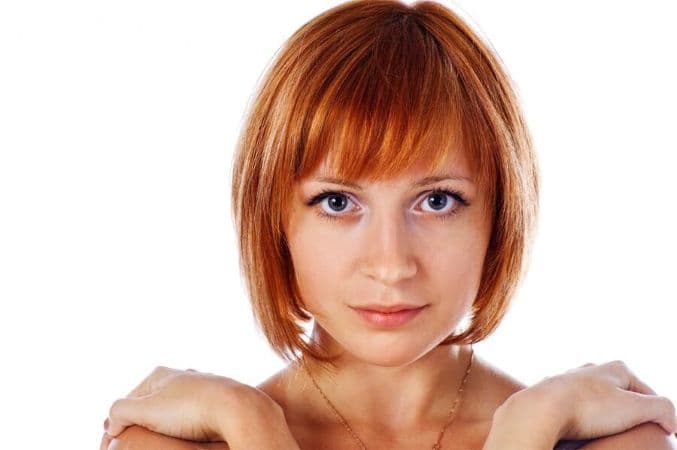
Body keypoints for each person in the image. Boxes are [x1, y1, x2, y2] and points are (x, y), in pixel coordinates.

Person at [101, 1, 677, 449]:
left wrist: (532, 426)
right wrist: (249, 423)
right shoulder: (165, 443)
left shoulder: (612, 442)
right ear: (272, 218)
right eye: (336, 203)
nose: (391, 263)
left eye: (438, 201)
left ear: (500, 215)